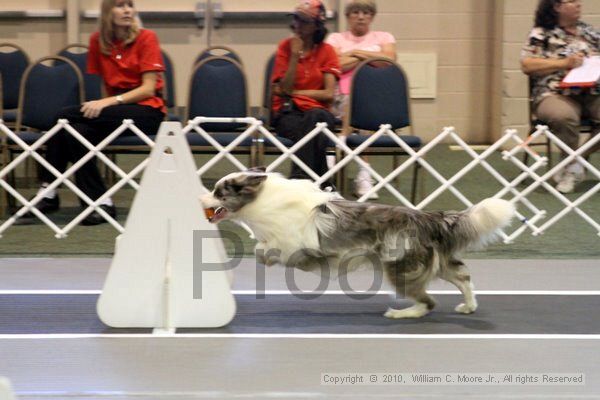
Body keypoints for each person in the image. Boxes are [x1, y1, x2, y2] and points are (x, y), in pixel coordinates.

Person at [28, 0, 166, 225]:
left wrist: (108, 103)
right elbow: (106, 83)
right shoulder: (97, 42)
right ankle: (100, 203)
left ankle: (48, 190)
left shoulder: (147, 37)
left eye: (130, 5)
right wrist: (107, 106)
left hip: (147, 111)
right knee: (75, 132)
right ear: (107, 12)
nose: (127, 10)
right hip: (116, 111)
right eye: (120, 6)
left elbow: (148, 88)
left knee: (62, 116)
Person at [521, 0, 599, 194]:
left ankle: (575, 162)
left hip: (592, 90)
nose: (579, 4)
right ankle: (572, 168)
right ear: (557, 6)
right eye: (571, 1)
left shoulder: (589, 32)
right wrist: (565, 63)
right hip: (553, 92)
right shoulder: (541, 33)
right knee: (564, 117)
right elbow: (527, 65)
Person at [326, 0, 396, 199]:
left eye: (366, 13)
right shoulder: (336, 38)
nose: (361, 16)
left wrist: (354, 53)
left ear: (372, 17)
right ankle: (362, 171)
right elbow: (334, 64)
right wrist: (371, 57)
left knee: (363, 103)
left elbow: (388, 61)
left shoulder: (384, 37)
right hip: (338, 98)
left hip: (374, 100)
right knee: (353, 102)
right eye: (356, 12)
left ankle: (355, 168)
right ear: (348, 16)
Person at [271, 0, 341, 188]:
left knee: (315, 118)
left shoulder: (328, 51)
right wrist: (294, 56)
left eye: (303, 21)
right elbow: (283, 89)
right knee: (313, 132)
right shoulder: (285, 47)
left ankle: (299, 182)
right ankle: (323, 183)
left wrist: (297, 93)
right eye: (295, 19)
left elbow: (328, 95)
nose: (297, 25)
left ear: (316, 26)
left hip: (320, 112)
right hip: (288, 113)